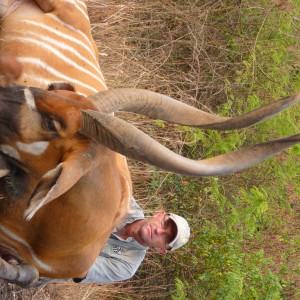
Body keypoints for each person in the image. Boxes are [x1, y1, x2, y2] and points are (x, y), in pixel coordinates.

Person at [37, 197, 190, 285]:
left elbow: (80, 270)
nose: (159, 230)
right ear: (159, 214)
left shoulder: (127, 266)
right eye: (164, 223)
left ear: (161, 250)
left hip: (40, 262)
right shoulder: (124, 200)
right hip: (43, 220)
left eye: (166, 237)